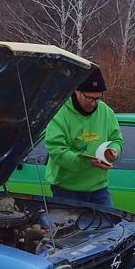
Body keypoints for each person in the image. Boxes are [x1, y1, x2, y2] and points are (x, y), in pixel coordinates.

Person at [44, 66, 123, 207]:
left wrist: (114, 151)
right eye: (89, 98)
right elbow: (57, 151)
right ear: (76, 91)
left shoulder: (106, 112)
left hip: (99, 190)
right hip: (66, 189)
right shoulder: (59, 113)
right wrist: (88, 162)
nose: (94, 103)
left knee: (109, 221)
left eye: (98, 98)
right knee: (69, 223)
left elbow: (117, 140)